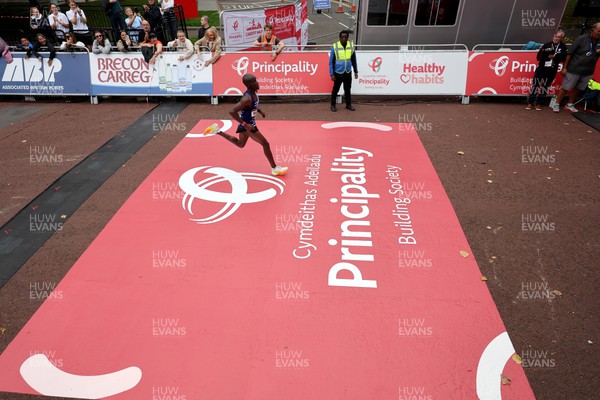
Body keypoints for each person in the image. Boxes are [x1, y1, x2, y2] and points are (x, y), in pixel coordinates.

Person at [211, 74, 288, 176]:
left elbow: (253, 105)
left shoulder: (254, 93)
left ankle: (218, 131)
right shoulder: (246, 98)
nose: (257, 82)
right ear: (249, 84)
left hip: (248, 124)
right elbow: (232, 111)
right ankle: (274, 168)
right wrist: (245, 125)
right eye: (255, 81)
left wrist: (260, 111)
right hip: (248, 126)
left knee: (240, 144)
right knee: (265, 144)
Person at [553, 22, 600, 113]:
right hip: (574, 68)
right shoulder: (581, 39)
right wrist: (564, 68)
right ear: (593, 30)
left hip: (588, 71)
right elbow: (569, 54)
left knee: (579, 88)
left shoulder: (598, 41)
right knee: (566, 87)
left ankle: (570, 104)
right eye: (598, 31)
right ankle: (557, 103)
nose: (599, 33)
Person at [526, 30, 566, 110]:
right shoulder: (546, 44)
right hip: (542, 67)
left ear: (561, 38)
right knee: (536, 85)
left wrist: (555, 57)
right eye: (556, 36)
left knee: (545, 86)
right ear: (553, 36)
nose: (556, 38)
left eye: (559, 37)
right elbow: (538, 57)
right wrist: (546, 55)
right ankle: (530, 102)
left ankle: (539, 103)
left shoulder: (563, 47)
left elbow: (563, 58)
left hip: (552, 69)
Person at [329, 30, 358, 112]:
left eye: (345, 37)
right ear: (340, 38)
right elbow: (331, 62)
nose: (344, 39)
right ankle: (333, 105)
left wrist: (356, 71)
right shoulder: (335, 47)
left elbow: (354, 59)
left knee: (347, 89)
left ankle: (348, 105)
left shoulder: (351, 46)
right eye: (342, 37)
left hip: (348, 72)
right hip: (338, 73)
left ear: (347, 38)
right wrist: (332, 74)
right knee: (335, 90)